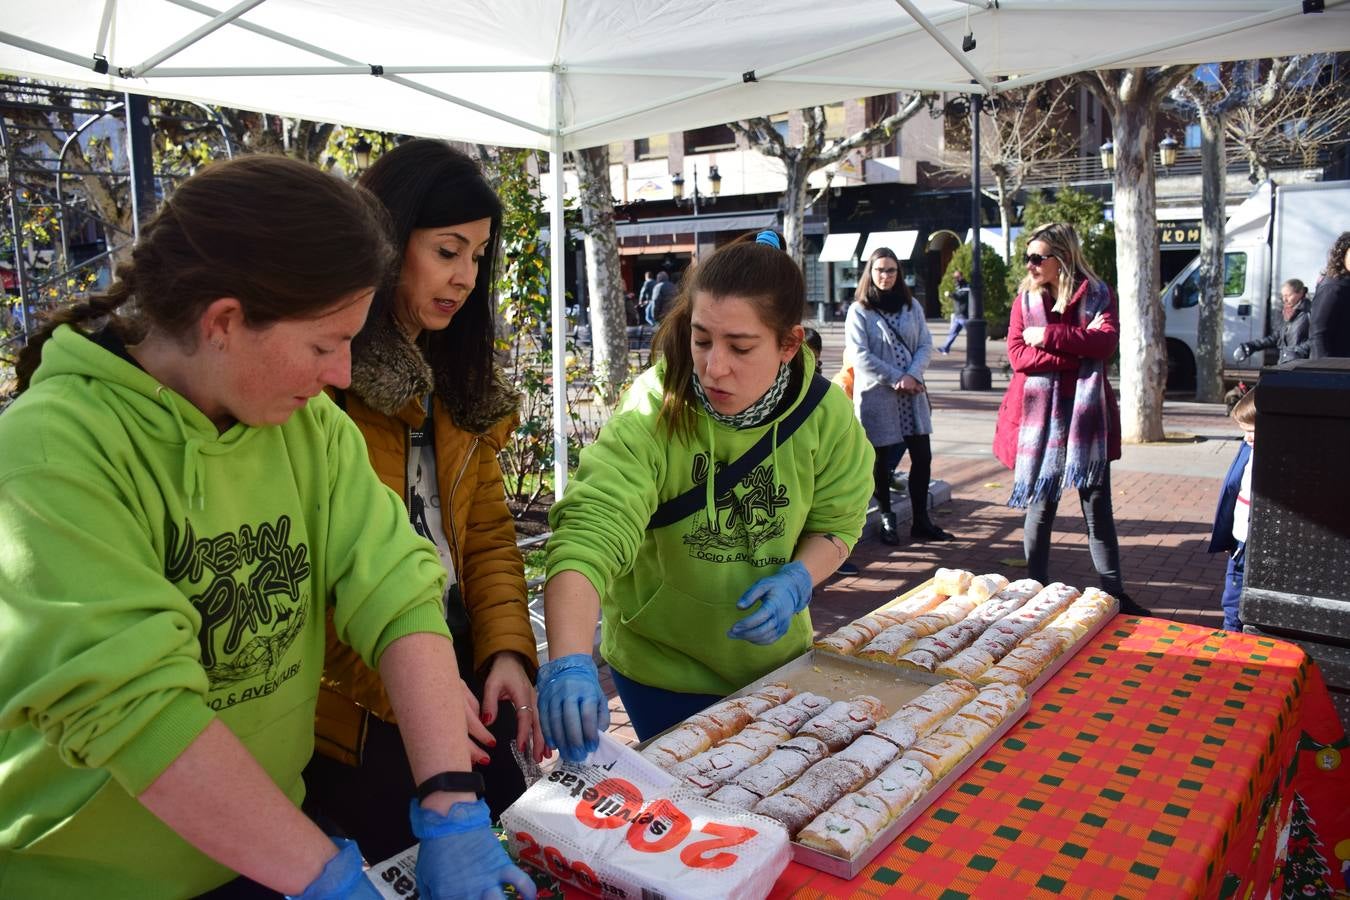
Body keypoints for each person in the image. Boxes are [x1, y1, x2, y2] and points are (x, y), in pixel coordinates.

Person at [0, 156, 534, 900]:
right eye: (323, 346)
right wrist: (327, 876)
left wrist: (449, 801)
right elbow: (135, 710)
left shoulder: (307, 427)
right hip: (87, 879)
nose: (343, 375)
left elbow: (398, 589)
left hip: (262, 857)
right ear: (224, 322)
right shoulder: (48, 456)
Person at [537, 231, 873, 759]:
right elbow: (591, 531)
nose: (715, 366)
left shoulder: (826, 415)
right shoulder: (652, 407)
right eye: (701, 341)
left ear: (789, 344)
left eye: (740, 347)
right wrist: (570, 659)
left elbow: (838, 522)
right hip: (659, 666)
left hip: (775, 666)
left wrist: (798, 578)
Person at [302, 140, 544, 861]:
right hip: (363, 707)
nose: (466, 277)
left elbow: (490, 535)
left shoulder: (457, 375)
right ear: (386, 242)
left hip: (466, 674)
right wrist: (420, 697)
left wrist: (507, 650)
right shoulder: (323, 388)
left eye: (477, 256)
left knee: (509, 853)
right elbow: (324, 585)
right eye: (447, 251)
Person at [994, 222, 1147, 617]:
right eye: (1026, 257)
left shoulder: (1098, 296)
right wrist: (1076, 351)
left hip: (1086, 423)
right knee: (1040, 509)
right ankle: (1034, 592)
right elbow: (1018, 357)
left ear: (1061, 259)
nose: (1029, 266)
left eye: (1036, 258)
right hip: (1039, 423)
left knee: (1097, 510)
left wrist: (1047, 337)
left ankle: (1114, 594)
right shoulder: (1023, 303)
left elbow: (1106, 342)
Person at [845, 248, 953, 545]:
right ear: (870, 273)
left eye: (891, 270)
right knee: (879, 462)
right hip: (879, 397)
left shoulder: (911, 305)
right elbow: (859, 355)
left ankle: (921, 520)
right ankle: (886, 517)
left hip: (912, 396)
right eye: (880, 270)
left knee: (922, 457)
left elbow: (925, 343)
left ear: (899, 273)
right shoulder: (860, 310)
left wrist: (912, 375)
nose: (885, 276)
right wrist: (897, 378)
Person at [1209, 388, 1257, 632]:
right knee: (1231, 598)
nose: (1247, 438)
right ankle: (1230, 634)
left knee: (1248, 600)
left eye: (1252, 432)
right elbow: (1232, 489)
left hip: (1256, 544)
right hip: (1239, 541)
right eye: (1244, 432)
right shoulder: (1248, 450)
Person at [1235, 279, 1311, 365]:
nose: (1285, 299)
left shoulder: (1309, 312)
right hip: (1285, 363)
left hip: (1301, 365)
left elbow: (1316, 339)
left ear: (1300, 293)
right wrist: (1252, 346)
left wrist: (1298, 352)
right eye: (1283, 296)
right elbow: (1276, 337)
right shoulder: (1285, 313)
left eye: (1288, 295)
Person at [1310, 231, 1350, 359]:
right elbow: (1318, 334)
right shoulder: (1332, 287)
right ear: (1342, 255)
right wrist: (1324, 370)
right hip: (1336, 369)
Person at [939, 268, 971, 355]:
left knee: (972, 334)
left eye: (957, 277)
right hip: (958, 315)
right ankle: (945, 348)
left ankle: (975, 350)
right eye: (954, 277)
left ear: (961, 276)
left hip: (964, 315)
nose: (955, 279)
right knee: (952, 333)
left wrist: (950, 295)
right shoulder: (959, 286)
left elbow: (960, 297)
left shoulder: (966, 287)